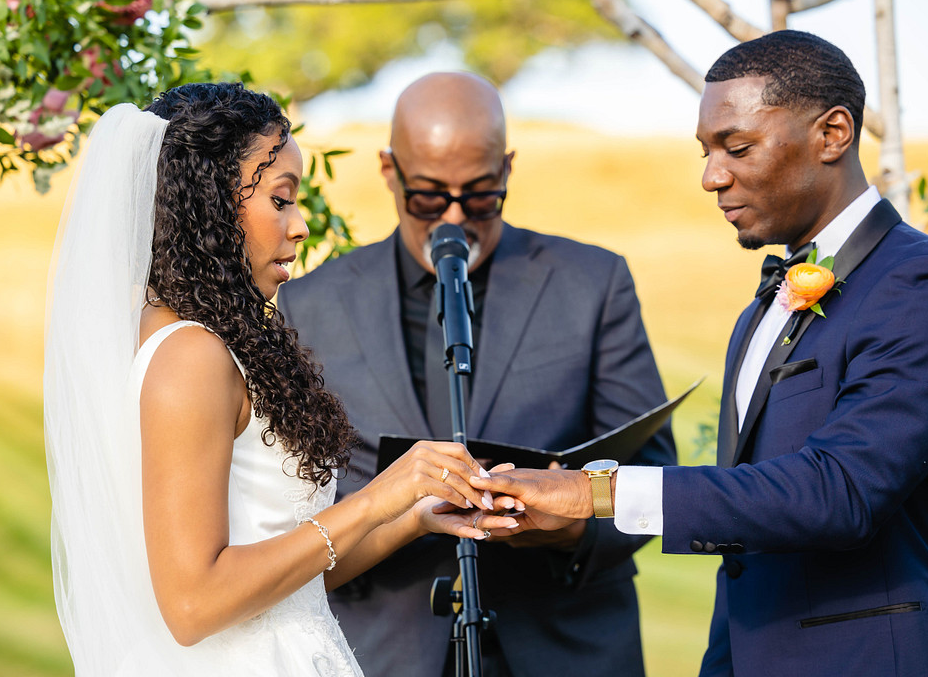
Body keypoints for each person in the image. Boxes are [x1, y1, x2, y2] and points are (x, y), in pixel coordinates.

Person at [473, 31, 928, 676]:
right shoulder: (768, 302)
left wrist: (595, 492)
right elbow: (751, 537)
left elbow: (840, 492)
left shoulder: (921, 287)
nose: (710, 176)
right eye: (705, 150)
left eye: (737, 146)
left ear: (833, 133)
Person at [44, 82, 515, 677]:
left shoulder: (202, 341)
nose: (299, 227)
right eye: (281, 200)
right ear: (210, 203)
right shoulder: (191, 356)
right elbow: (194, 604)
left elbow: (292, 571)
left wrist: (409, 516)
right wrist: (373, 500)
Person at [277, 71, 676, 677]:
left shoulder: (593, 282)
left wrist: (566, 524)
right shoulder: (308, 304)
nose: (457, 217)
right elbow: (283, 500)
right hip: (379, 651)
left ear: (508, 168)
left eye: (483, 194)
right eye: (430, 197)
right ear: (390, 171)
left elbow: (655, 473)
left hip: (563, 645)